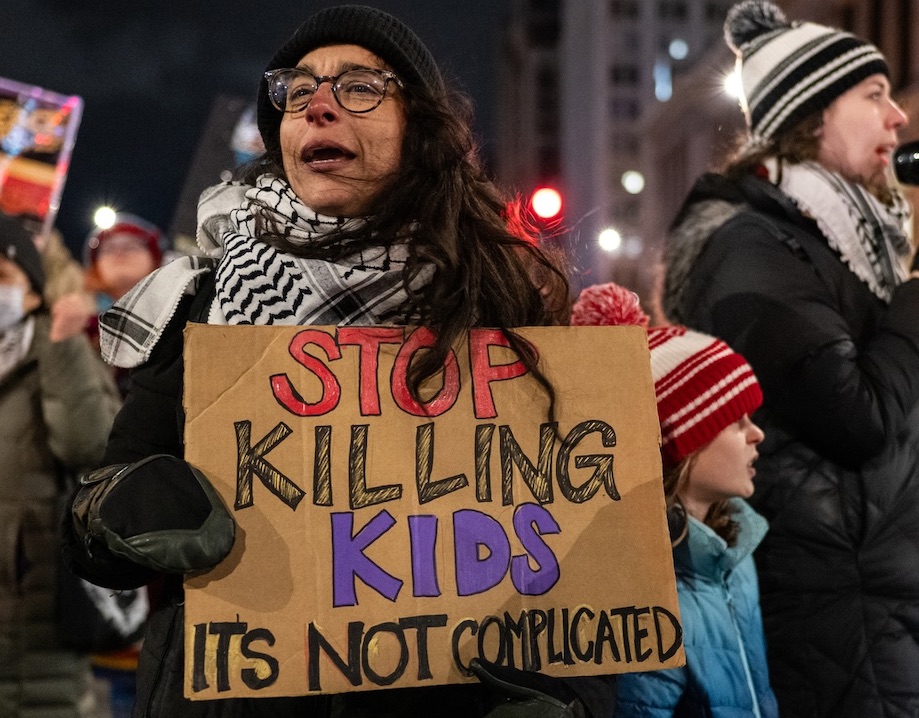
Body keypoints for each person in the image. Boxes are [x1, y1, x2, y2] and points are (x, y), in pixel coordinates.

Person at [62, 6, 579, 718]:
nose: (320, 106)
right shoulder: (202, 300)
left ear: (419, 127)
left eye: (360, 86)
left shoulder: (499, 297)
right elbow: (94, 531)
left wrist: (566, 696)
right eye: (298, 92)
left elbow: (571, 549)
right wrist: (126, 508)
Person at [659, 1, 919, 715]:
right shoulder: (749, 247)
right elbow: (857, 418)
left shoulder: (848, 245)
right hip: (830, 616)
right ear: (811, 117)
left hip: (876, 604)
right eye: (871, 97)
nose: (895, 118)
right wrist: (912, 299)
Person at [572, 283, 778, 717]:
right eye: (735, 420)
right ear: (683, 444)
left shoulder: (735, 558)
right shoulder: (644, 596)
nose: (756, 434)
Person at [0, 214, 120, 716]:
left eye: (1, 278)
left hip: (34, 617)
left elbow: (89, 448)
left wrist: (65, 344)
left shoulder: (58, 349)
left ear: (31, 288)